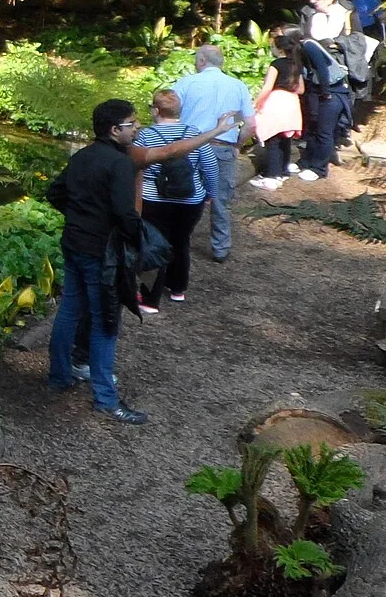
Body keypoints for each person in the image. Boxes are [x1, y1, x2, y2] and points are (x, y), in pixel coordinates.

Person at [45, 101, 148, 424]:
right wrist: (140, 238)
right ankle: (106, 398)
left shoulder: (82, 156)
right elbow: (124, 213)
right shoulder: (119, 164)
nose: (138, 127)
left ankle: (60, 376)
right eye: (132, 124)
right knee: (105, 322)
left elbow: (55, 193)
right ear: (115, 130)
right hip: (100, 252)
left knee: (70, 311)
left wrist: (80, 216)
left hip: (74, 242)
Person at [171, 44, 257, 263]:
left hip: (189, 146)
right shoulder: (238, 86)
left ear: (201, 61)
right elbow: (249, 124)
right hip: (222, 147)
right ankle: (220, 248)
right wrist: (237, 145)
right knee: (221, 199)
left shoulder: (186, 83)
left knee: (183, 193)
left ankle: (178, 240)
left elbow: (168, 113)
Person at [135, 90, 215, 306]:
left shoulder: (145, 135)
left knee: (153, 244)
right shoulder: (194, 133)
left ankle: (149, 298)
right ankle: (177, 288)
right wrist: (210, 193)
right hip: (190, 200)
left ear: (156, 110)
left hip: (154, 199)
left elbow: (137, 165)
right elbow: (209, 166)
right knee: (181, 242)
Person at [290, 23, 355, 182]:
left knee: (324, 132)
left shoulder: (309, 46)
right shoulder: (298, 51)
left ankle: (319, 168)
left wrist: (325, 92)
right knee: (312, 127)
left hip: (332, 93)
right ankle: (306, 161)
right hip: (315, 91)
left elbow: (322, 69)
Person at [250, 59, 305, 190]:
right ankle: (282, 172)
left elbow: (268, 86)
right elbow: (301, 89)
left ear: (279, 48)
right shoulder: (296, 64)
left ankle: (271, 177)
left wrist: (256, 104)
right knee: (285, 139)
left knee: (272, 140)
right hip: (292, 101)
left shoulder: (276, 64)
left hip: (276, 101)